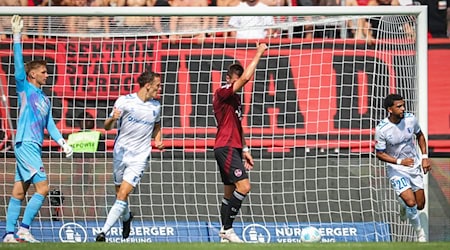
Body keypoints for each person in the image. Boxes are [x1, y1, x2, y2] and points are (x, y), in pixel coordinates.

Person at [2, 15, 73, 243]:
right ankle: (24, 228)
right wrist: (16, 36)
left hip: (34, 145)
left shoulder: (45, 99)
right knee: (43, 188)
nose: (47, 74)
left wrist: (62, 142)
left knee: (19, 193)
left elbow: (49, 124)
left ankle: (9, 234)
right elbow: (19, 64)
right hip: (26, 143)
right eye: (43, 71)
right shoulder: (24, 88)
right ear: (32, 74)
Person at [95, 71, 164, 242]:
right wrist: (113, 119)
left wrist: (158, 140)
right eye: (157, 85)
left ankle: (103, 232)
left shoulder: (156, 106)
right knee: (119, 193)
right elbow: (107, 126)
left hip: (140, 156)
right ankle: (126, 218)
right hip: (121, 153)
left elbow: (156, 126)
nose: (159, 88)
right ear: (148, 85)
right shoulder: (124, 101)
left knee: (123, 194)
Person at [213, 42, 267, 243]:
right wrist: (259, 52)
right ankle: (227, 229)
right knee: (244, 187)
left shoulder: (236, 100)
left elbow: (239, 127)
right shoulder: (222, 91)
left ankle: (224, 236)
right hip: (225, 146)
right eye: (236, 82)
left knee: (229, 193)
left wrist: (245, 149)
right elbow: (245, 78)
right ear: (228, 79)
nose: (239, 86)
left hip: (233, 147)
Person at [375, 94, 431, 242]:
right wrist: (400, 162)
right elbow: (380, 154)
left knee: (419, 205)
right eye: (399, 106)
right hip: (396, 169)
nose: (403, 109)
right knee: (411, 202)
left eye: (403, 105)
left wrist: (424, 158)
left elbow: (420, 135)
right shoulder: (382, 129)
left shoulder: (410, 119)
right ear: (390, 109)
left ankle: (403, 205)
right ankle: (420, 235)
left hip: (414, 166)